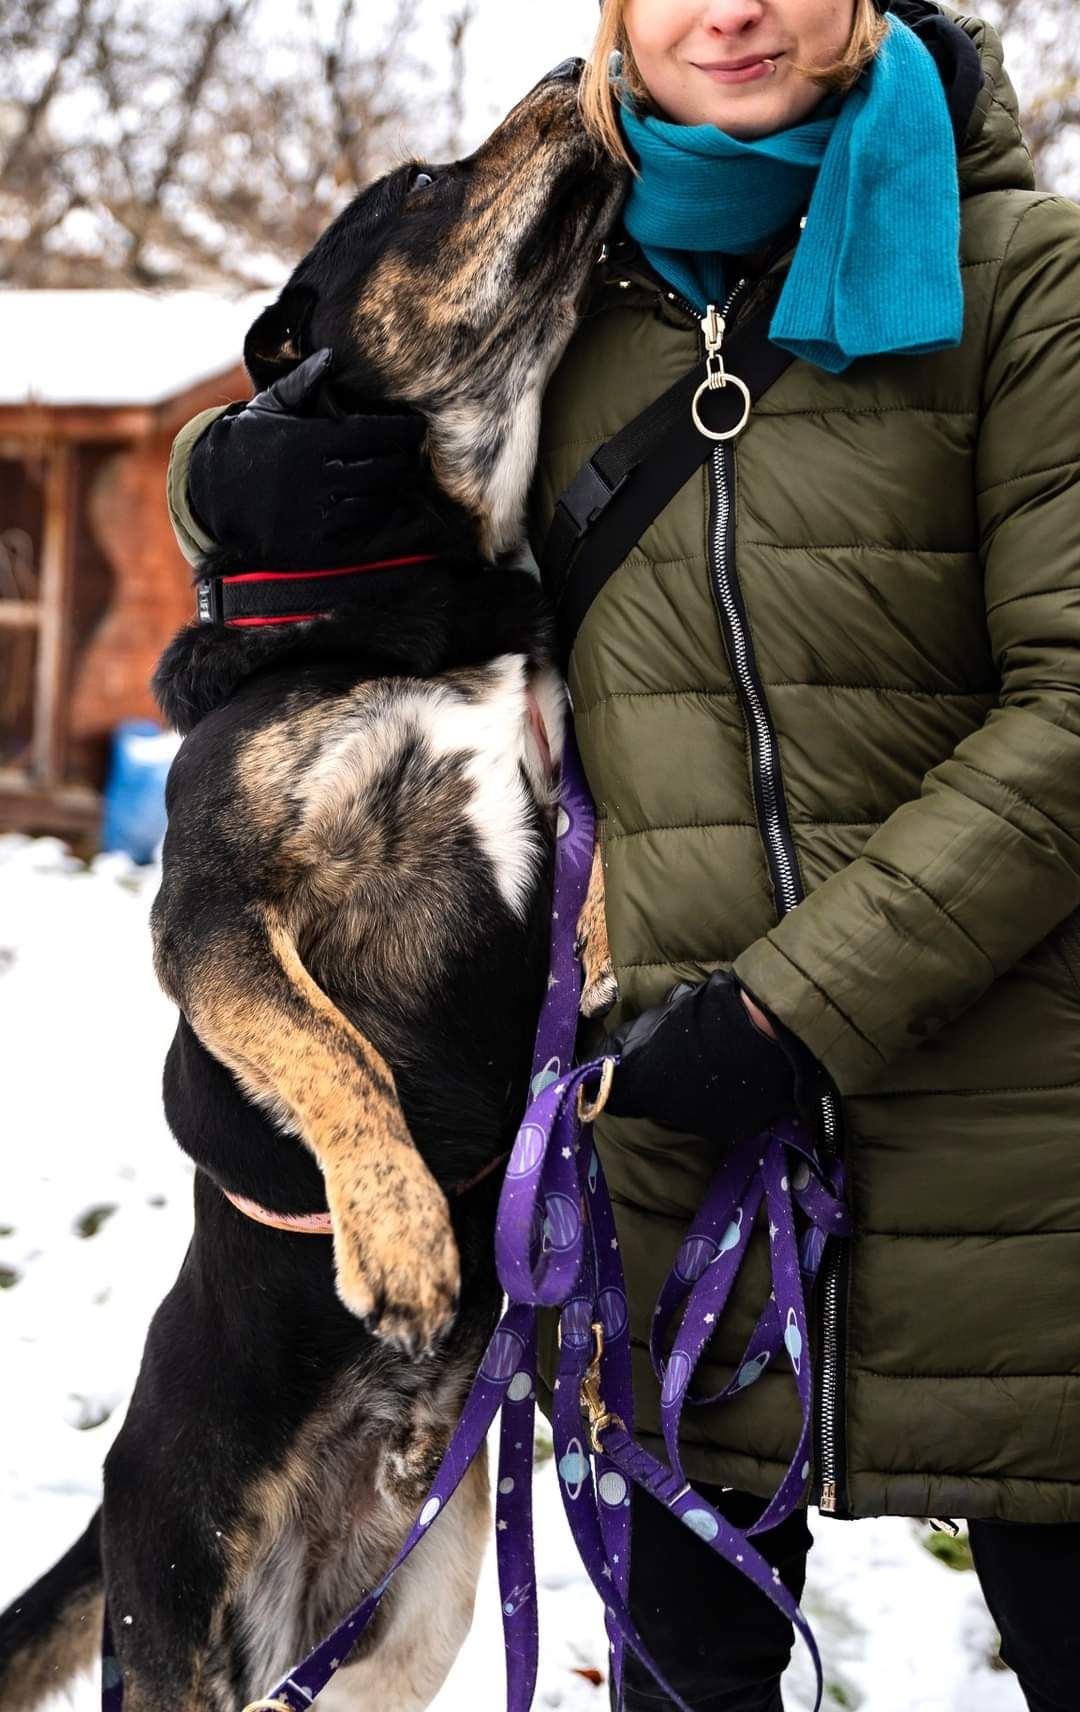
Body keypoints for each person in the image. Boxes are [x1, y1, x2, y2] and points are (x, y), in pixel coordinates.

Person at [164, 2, 1080, 1707]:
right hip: (652, 1184)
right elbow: (271, 452)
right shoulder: (550, 295)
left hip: (1030, 1168)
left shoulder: (1031, 278)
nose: (728, 9)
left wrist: (788, 1013)